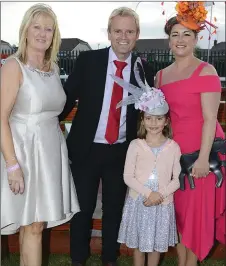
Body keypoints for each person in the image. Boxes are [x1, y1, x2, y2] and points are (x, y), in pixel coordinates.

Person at [59, 6, 154, 266]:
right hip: (86, 150)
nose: (124, 36)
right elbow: (65, 100)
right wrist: (49, 121)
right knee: (83, 209)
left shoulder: (144, 67)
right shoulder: (88, 61)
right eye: (118, 31)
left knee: (114, 210)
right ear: (109, 33)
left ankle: (109, 259)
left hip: (121, 152)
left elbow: (150, 110)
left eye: (130, 31)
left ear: (137, 35)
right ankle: (78, 259)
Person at [1, 4, 80, 266]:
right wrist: (12, 165)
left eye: (49, 28)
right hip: (22, 152)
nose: (42, 33)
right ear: (25, 29)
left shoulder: (53, 67)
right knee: (32, 225)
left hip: (49, 152)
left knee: (35, 226)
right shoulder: (13, 67)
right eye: (37, 26)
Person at [155, 2, 225, 265]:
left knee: (195, 222)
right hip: (174, 158)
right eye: (175, 34)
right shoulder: (160, 77)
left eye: (187, 34)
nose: (180, 39)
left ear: (196, 39)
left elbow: (210, 119)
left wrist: (203, 159)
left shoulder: (207, 71)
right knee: (181, 219)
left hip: (199, 158)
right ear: (169, 41)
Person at [111, 60, 181, 266]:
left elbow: (177, 178)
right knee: (140, 245)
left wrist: (160, 195)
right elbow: (128, 176)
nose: (154, 123)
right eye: (149, 118)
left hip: (162, 202)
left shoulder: (173, 147)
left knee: (155, 246)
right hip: (139, 200)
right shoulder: (135, 145)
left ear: (166, 121)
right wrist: (148, 193)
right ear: (143, 119)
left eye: (159, 119)